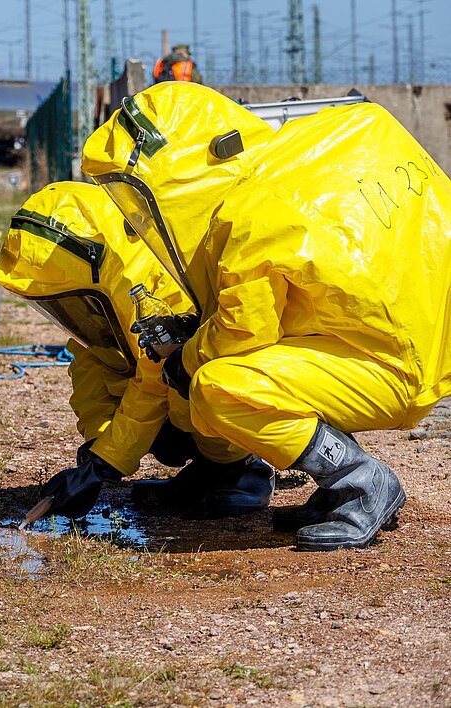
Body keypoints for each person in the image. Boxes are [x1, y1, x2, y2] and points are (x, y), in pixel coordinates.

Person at [81, 82, 451, 551]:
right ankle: (333, 488)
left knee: (219, 388)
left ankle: (362, 482)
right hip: (426, 342)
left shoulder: (253, 214)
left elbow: (242, 329)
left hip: (393, 367)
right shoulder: (319, 148)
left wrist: (183, 359)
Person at [0, 181, 274, 520]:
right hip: (170, 395)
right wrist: (97, 447)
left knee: (190, 387)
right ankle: (210, 468)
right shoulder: (100, 303)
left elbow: (155, 385)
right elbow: (90, 372)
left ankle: (241, 467)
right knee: (162, 407)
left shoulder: (158, 289)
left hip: (250, 382)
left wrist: (103, 465)